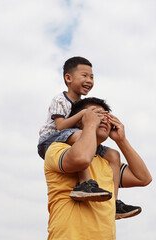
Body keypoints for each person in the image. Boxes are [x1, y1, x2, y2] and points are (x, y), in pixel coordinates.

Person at [38, 56, 140, 217]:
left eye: (92, 77)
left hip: (73, 136)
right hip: (51, 138)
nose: (89, 80)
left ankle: (113, 202)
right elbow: (61, 126)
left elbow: (144, 178)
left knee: (113, 155)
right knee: (81, 135)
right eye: (84, 75)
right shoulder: (60, 99)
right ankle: (84, 183)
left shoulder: (81, 102)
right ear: (68, 78)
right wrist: (85, 115)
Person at [44, 97, 152, 239]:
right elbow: (82, 158)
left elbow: (143, 178)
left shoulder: (108, 161)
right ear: (79, 120)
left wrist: (121, 140)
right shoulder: (58, 148)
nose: (103, 119)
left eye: (106, 116)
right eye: (96, 114)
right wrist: (90, 125)